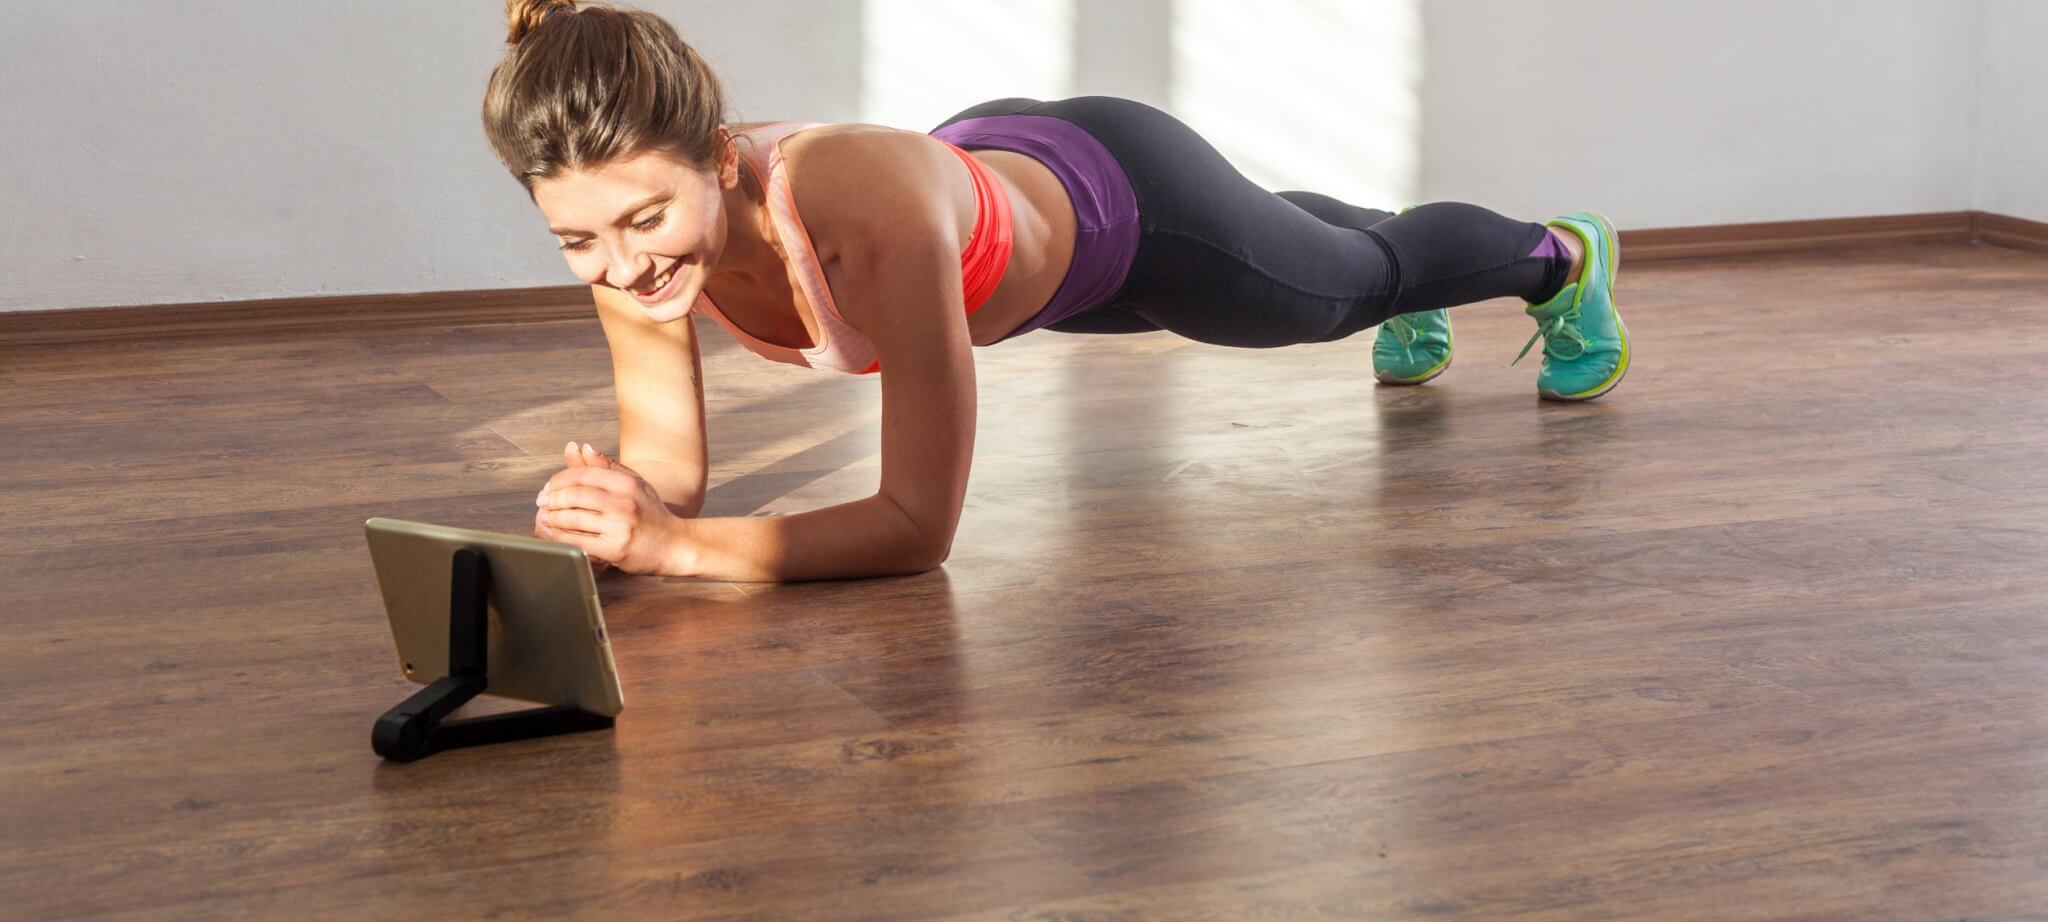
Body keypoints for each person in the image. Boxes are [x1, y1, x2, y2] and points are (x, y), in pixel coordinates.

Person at [491, 0, 1630, 582]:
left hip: (1126, 213)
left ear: (722, 155)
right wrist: (615, 516)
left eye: (644, 220)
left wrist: (677, 553)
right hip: (1012, 235)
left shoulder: (860, 215)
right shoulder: (625, 248)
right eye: (576, 242)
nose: (622, 265)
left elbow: (915, 528)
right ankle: (1355, 246)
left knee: (1340, 294)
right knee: (1300, 254)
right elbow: (672, 475)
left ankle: (1557, 259)